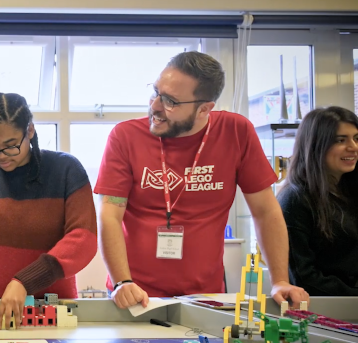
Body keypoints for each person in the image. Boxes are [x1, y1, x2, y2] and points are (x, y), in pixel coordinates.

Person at [93, 51, 309, 309]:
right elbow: (110, 215)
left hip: (206, 296)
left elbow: (265, 211)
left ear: (205, 108)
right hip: (134, 294)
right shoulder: (126, 137)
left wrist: (279, 280)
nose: (155, 106)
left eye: (170, 101)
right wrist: (121, 282)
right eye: (155, 92)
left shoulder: (236, 132)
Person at [0, 93, 97, 329]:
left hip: (50, 312)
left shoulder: (65, 170)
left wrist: (25, 282)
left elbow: (83, 238)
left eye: (10, 146)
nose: (1, 156)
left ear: (30, 130)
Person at [278, 106, 358, 296]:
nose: (353, 147)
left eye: (356, 138)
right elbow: (304, 278)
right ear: (316, 145)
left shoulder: (349, 192)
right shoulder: (295, 200)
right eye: (341, 140)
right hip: (325, 313)